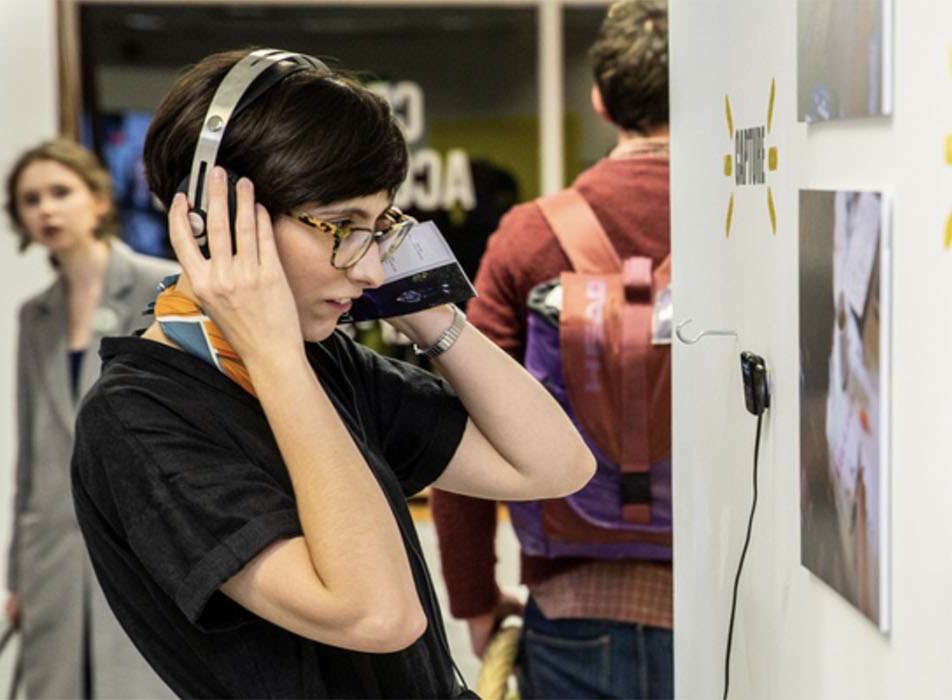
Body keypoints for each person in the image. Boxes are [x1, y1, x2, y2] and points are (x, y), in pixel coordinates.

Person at [68, 49, 594, 698]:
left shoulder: (322, 361)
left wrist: (428, 316)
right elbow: (377, 614)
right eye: (341, 226)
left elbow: (554, 465)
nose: (369, 268)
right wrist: (276, 355)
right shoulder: (137, 421)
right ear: (216, 225)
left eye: (380, 227)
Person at [429, 2, 673, 697]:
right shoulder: (752, 225)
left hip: (573, 611)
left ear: (600, 101)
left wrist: (474, 600)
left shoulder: (529, 237)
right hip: (741, 601)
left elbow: (465, 424)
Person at [2, 138, 178, 699]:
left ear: (99, 201)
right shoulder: (36, 316)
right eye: (31, 200)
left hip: (144, 544)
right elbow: (31, 456)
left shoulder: (164, 286)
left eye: (61, 192)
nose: (46, 210)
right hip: (53, 555)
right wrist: (17, 576)